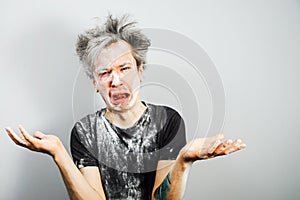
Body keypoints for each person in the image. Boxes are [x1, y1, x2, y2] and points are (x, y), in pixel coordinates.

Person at [5, 14, 246, 200]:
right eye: (105, 72)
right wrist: (59, 153)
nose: (116, 80)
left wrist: (183, 161)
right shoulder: (86, 132)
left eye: (124, 68)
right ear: (95, 83)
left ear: (141, 72)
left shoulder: (168, 121)